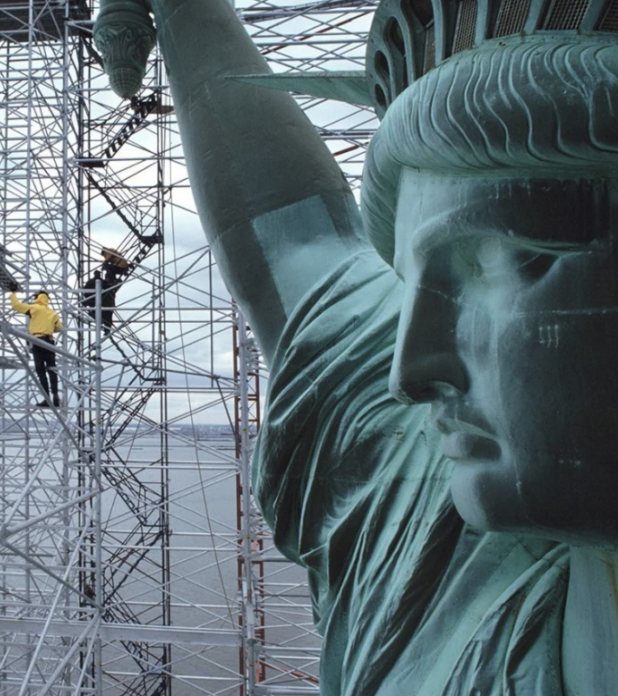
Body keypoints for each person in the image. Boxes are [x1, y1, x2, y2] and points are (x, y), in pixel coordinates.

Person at [96, 0, 618, 692]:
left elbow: (303, 255)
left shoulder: (433, 550)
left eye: (509, 260)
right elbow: (299, 246)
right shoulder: (438, 535)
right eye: (412, 282)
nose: (412, 370)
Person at [10, 289, 63, 407]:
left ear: (38, 298)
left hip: (38, 341)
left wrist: (12, 294)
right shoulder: (52, 312)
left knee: (41, 371)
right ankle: (55, 396)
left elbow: (16, 306)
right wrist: (48, 326)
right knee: (52, 369)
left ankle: (47, 399)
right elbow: (59, 327)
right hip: (49, 342)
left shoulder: (34, 308)